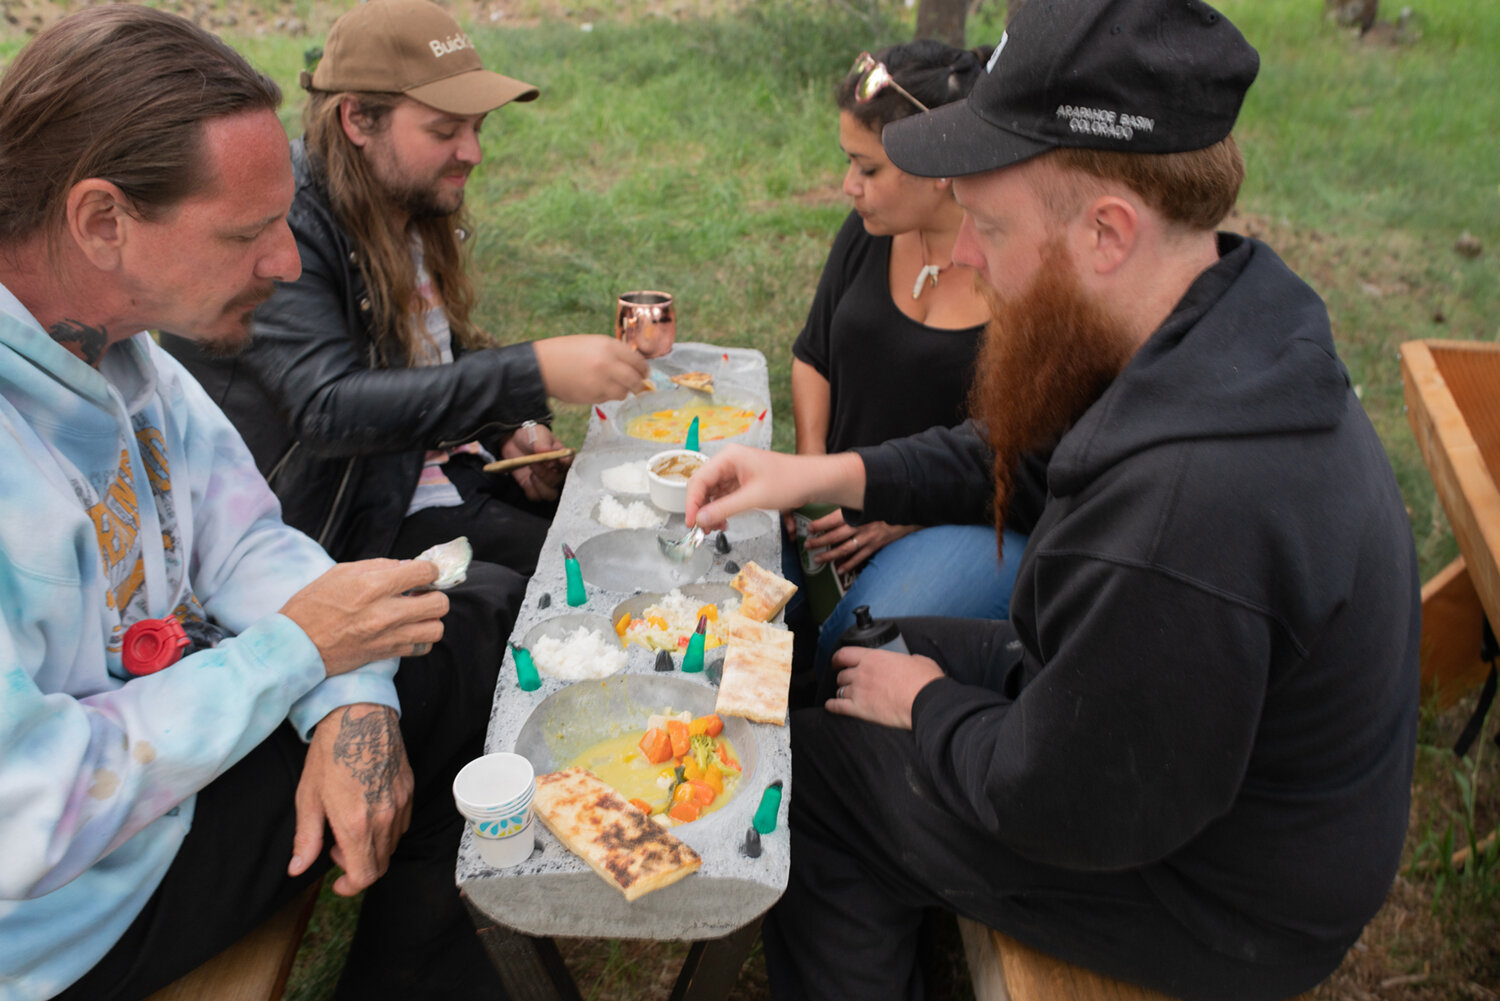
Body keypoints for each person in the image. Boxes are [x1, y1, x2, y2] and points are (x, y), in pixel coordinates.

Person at [686, 1, 1420, 998]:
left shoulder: (1185, 518)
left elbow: (1077, 805)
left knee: (816, 777)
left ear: (1109, 231)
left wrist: (933, 708)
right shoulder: (1207, 313)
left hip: (1216, 890)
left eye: (988, 225)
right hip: (1149, 741)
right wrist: (822, 473)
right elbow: (1025, 461)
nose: (969, 257)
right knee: (851, 657)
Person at [0, 8, 515, 1000]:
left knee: (448, 640)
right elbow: (28, 814)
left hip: (150, 792)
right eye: (248, 233)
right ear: (101, 220)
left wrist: (351, 704)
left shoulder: (110, 340)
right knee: (466, 653)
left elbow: (243, 539)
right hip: (66, 914)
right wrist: (293, 656)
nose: (286, 262)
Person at [161, 0, 649, 576]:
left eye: (476, 129)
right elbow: (327, 408)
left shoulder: (402, 202)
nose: (472, 153)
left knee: (630, 529)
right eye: (444, 130)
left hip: (426, 475)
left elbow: (428, 358)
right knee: (594, 578)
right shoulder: (285, 224)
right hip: (335, 530)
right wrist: (530, 371)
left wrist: (506, 431)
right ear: (358, 121)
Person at [789, 39, 1026, 688]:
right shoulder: (868, 234)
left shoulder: (1017, 276)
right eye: (849, 163)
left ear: (939, 165)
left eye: (867, 169)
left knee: (850, 648)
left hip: (968, 519)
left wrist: (902, 516)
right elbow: (813, 355)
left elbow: (1027, 459)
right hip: (841, 505)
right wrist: (812, 471)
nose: (848, 186)